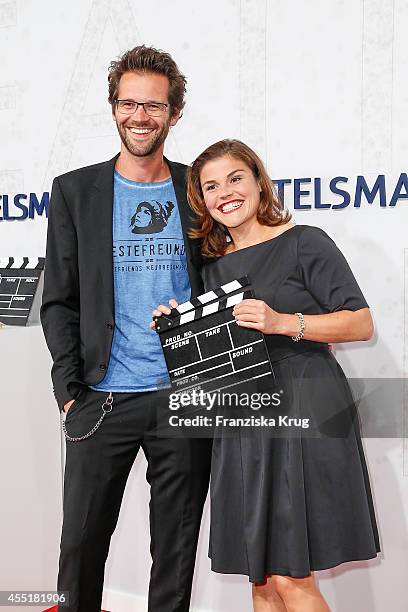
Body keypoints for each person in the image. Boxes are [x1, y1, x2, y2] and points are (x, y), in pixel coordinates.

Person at [152, 139, 380, 612]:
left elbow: (360, 323)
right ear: (201, 200)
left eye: (235, 178)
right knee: (261, 580)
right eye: (211, 186)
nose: (225, 193)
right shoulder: (210, 268)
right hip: (242, 421)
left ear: (259, 181)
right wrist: (179, 325)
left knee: (290, 575)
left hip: (304, 411)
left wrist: (284, 322)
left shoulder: (305, 241)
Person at [40, 45, 211, 612]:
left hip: (183, 396)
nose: (141, 116)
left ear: (175, 114)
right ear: (114, 108)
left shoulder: (199, 190)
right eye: (129, 103)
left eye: (154, 106)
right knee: (80, 552)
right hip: (100, 397)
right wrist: (69, 393)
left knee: (175, 553)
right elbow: (59, 301)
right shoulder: (73, 191)